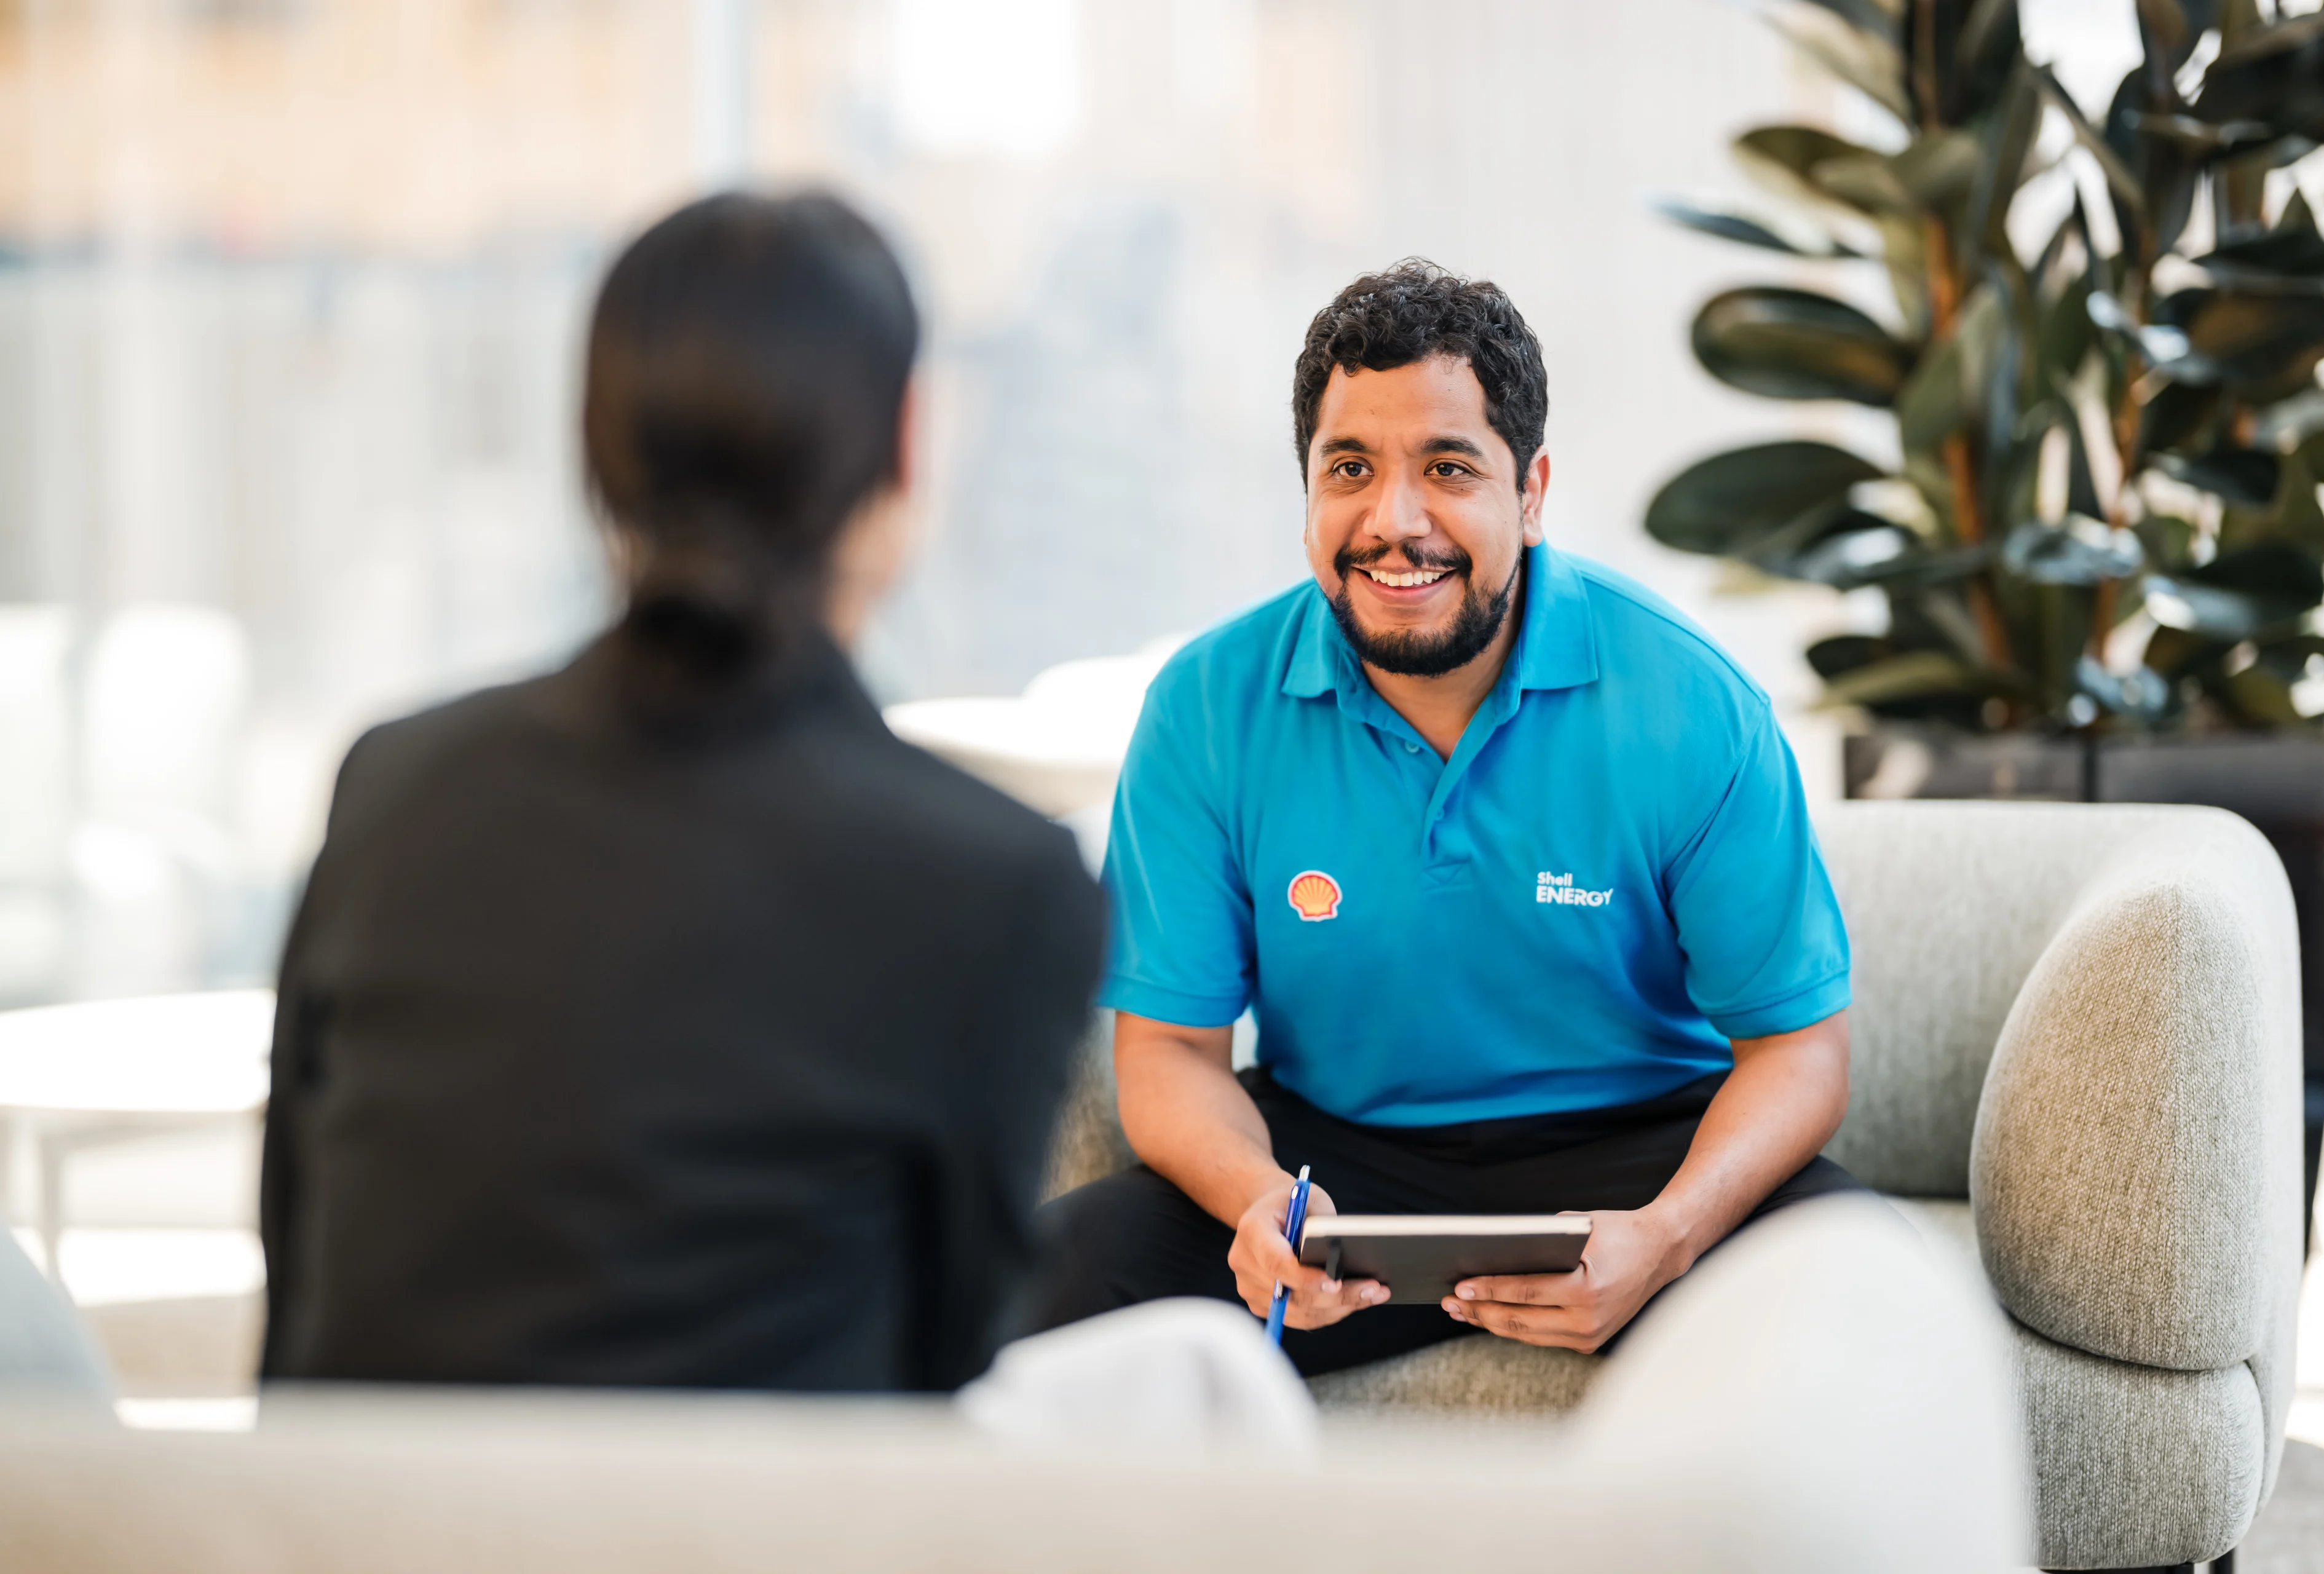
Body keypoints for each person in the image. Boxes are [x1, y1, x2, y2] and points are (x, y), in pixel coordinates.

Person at [259, 192, 1104, 1393]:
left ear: (596, 449)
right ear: (907, 446)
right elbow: (945, 1376)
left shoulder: (389, 789)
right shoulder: (1000, 888)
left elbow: (299, 1295)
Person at [1032, 261, 1857, 1375]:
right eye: (1351, 469)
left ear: (1531, 490)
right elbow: (1172, 1053)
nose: (1394, 521)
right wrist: (1265, 1210)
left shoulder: (1690, 702)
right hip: (1337, 1167)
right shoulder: (1204, 709)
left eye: (1449, 467)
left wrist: (1665, 1242)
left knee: (1860, 1287)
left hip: (1639, 1149)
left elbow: (1800, 1050)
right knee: (1054, 1278)